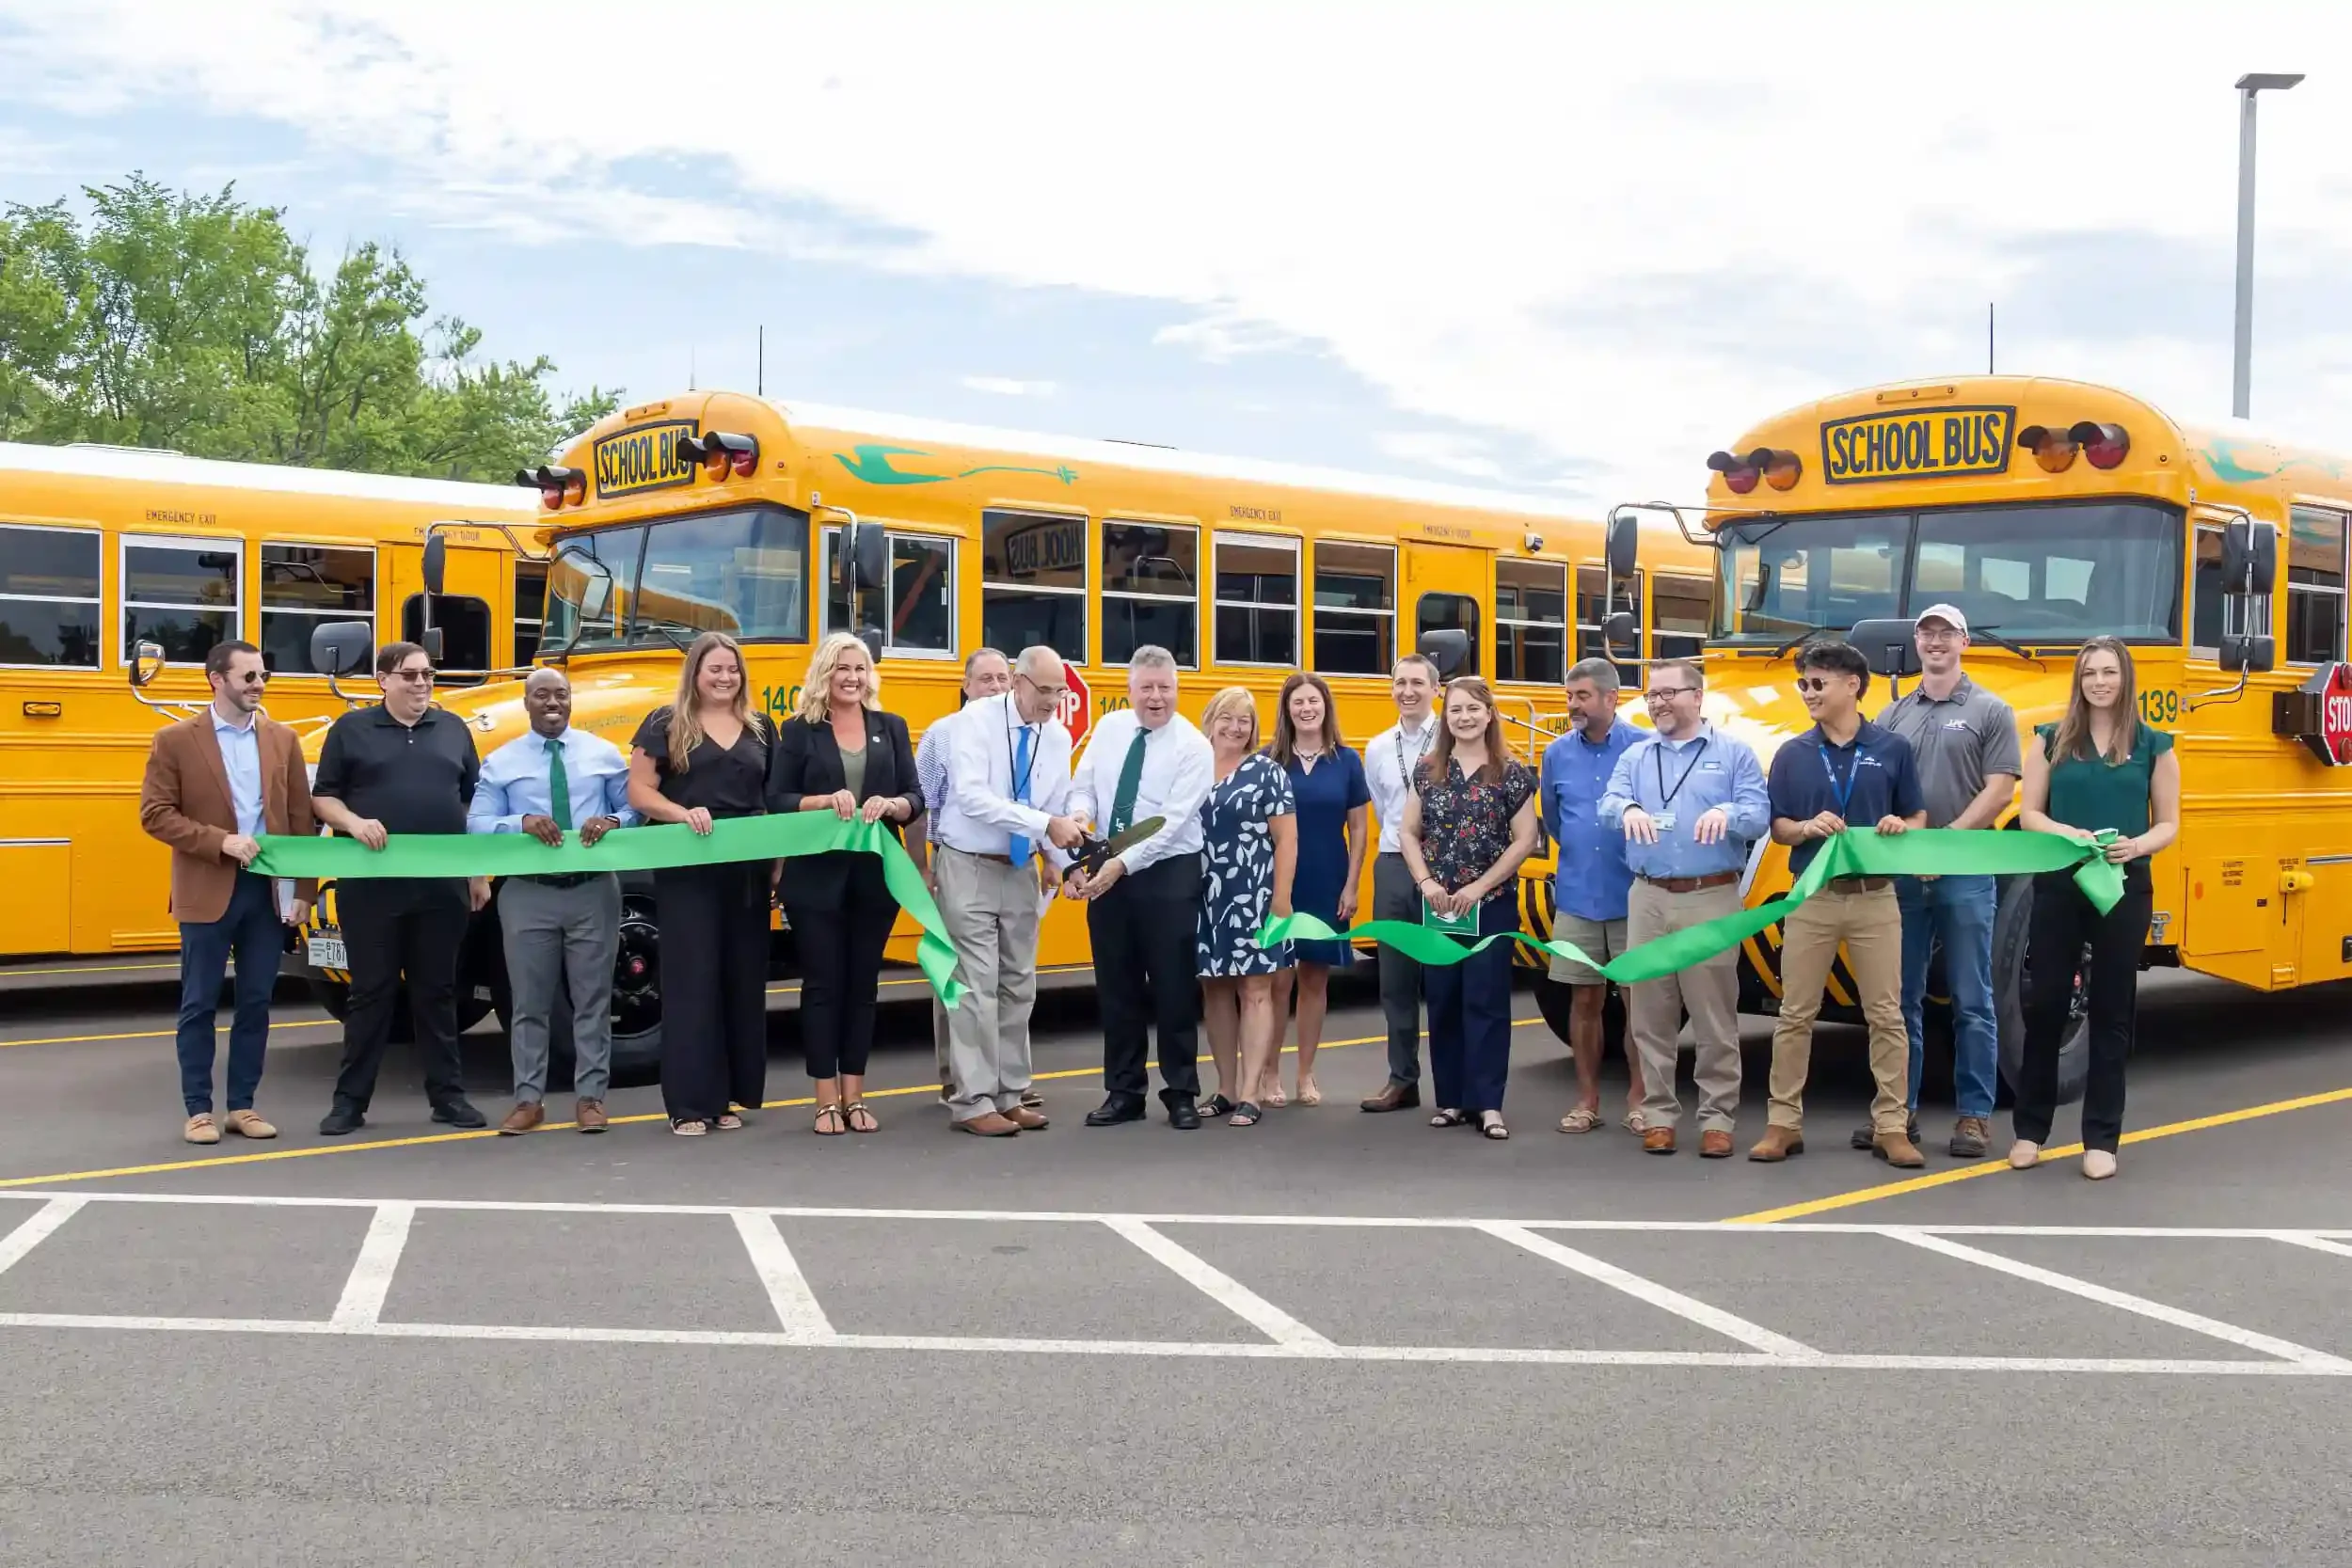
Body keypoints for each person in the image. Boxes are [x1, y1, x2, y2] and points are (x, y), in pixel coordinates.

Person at [1851, 604, 2020, 1160]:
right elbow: (1884, 788)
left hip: (1965, 872)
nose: (1936, 642)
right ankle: (1900, 1111)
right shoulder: (1894, 713)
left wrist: (1943, 844)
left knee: (1973, 997)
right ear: (1917, 643)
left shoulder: (1991, 710)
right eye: (1927, 633)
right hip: (1904, 873)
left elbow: (1999, 790)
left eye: (1947, 633)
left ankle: (1974, 1115)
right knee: (1900, 999)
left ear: (1965, 641)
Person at [1755, 641, 1926, 1167]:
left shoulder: (1893, 748)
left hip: (1876, 897)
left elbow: (1917, 816)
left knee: (1887, 1015)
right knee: (1795, 1013)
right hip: (1813, 897)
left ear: (1852, 684)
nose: (1807, 692)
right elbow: (1778, 826)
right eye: (1803, 684)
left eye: (1817, 683)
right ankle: (1783, 1123)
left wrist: (1902, 826)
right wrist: (1805, 827)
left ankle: (1891, 1126)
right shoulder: (1792, 753)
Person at [2011, 636, 2177, 1181]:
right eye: (2089, 674)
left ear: (2125, 679)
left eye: (2108, 672)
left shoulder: (2155, 746)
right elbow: (2030, 814)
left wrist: (2137, 846)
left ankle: (2102, 1138)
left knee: (2112, 1009)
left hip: (2124, 888)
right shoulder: (2050, 741)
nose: (2099, 682)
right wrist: (2067, 833)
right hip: (2061, 884)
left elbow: (2168, 823)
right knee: (2047, 1005)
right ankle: (2030, 1130)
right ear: (2079, 682)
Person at [137, 641, 316, 1145]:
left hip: (266, 891)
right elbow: (155, 815)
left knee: (257, 1002)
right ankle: (198, 1110)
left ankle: (243, 1106)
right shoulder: (175, 739)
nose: (259, 685)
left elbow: (301, 820)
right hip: (206, 887)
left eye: (263, 675)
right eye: (249, 677)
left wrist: (302, 889)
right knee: (199, 1003)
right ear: (216, 679)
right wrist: (220, 842)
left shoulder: (283, 739)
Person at [310, 641, 490, 1136]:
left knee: (438, 993)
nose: (421, 683)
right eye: (410, 675)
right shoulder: (351, 730)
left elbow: (474, 804)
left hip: (442, 890)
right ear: (382, 679)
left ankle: (448, 1099)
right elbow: (323, 797)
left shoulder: (453, 728)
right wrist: (353, 821)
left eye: (428, 674)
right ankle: (349, 1104)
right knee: (371, 995)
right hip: (372, 889)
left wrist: (477, 873)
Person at [1598, 659, 1770, 1157]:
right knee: (1650, 1014)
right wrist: (1627, 809)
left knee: (1713, 1013)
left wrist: (1729, 813)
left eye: (1668, 693)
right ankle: (1658, 1115)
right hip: (1648, 896)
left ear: (1697, 696)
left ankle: (1718, 1118)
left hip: (1710, 895)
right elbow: (1608, 804)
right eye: (1652, 695)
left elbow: (1759, 815)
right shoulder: (1635, 756)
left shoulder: (1734, 753)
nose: (1658, 703)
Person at [467, 667, 636, 1136]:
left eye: (560, 694)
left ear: (570, 700)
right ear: (526, 703)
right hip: (527, 893)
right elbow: (476, 821)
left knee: (593, 1000)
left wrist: (615, 821)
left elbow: (634, 809)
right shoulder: (501, 761)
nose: (551, 703)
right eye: (541, 695)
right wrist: (518, 821)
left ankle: (591, 1098)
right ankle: (528, 1099)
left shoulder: (603, 755)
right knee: (530, 1003)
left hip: (592, 889)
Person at [768, 632, 922, 1135]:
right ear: (824, 675)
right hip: (815, 876)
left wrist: (894, 806)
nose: (852, 677)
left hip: (876, 874)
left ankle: (856, 1095)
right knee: (822, 984)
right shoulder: (798, 731)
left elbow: (913, 796)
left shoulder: (891, 727)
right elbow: (777, 799)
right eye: (842, 669)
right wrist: (819, 800)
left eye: (860, 668)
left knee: (862, 985)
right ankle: (824, 1099)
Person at [628, 631, 772, 1138]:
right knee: (693, 982)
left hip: (749, 872)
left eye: (732, 669)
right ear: (695, 673)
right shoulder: (666, 723)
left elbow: (770, 800)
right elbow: (640, 791)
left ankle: (726, 1097)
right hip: (689, 868)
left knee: (740, 980)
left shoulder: (760, 727)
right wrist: (681, 813)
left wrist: (777, 864)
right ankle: (688, 1104)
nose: (724, 677)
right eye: (714, 669)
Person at [1066, 646, 1216, 1130]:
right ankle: (1124, 1091)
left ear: (1178, 689)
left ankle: (1181, 1093)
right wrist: (1080, 819)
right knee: (1117, 986)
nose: (1156, 698)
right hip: (1109, 865)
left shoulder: (1194, 746)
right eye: (1146, 688)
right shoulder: (1110, 729)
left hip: (1168, 872)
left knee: (1173, 988)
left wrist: (1122, 865)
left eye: (1164, 688)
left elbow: (1170, 823)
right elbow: (1084, 784)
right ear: (1130, 690)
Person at [936, 644, 1081, 1135]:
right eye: (1044, 691)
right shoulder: (974, 722)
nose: (1052, 702)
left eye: (1059, 692)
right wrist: (1047, 823)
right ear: (1017, 682)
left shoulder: (1057, 736)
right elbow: (974, 798)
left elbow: (1057, 808)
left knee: (1018, 982)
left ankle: (1010, 1093)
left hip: (1019, 868)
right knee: (976, 985)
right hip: (969, 864)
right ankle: (973, 1101)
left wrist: (1068, 864)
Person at [1401, 676, 1539, 1141]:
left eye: (1473, 710)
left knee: (1486, 1001)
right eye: (1456, 710)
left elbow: (1525, 841)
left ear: (1489, 714)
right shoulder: (1428, 769)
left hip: (1490, 904)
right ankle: (1452, 1099)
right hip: (1439, 907)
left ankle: (1489, 1104)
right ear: (1446, 717)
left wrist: (1479, 888)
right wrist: (1425, 882)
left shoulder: (1512, 773)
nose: (1464, 717)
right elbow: (1408, 832)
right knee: (1443, 999)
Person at [1539, 657, 1645, 1135]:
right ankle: (1587, 1101)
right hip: (1579, 896)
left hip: (1635, 896)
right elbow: (1556, 821)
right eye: (1569, 696)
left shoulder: (1644, 749)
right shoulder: (1557, 753)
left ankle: (1641, 1100)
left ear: (1610, 698)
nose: (1573, 705)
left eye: (1582, 696)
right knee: (1584, 1001)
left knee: (1640, 1002)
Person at [914, 647, 1017, 1108]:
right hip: (957, 862)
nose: (995, 688)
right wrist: (922, 865)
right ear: (966, 687)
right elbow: (921, 805)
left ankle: (1007, 1083)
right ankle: (957, 1078)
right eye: (985, 680)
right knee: (957, 976)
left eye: (1003, 680)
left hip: (1014, 866)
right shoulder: (943, 734)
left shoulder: (1022, 734)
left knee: (1011, 981)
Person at [1195, 686, 1296, 1126]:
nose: (1236, 727)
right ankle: (1226, 1088)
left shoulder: (1268, 772)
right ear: (1211, 719)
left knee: (1255, 990)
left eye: (1245, 721)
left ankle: (1254, 1090)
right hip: (1201, 895)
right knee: (1214, 990)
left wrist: (1282, 899)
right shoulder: (1191, 766)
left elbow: (1286, 840)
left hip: (1253, 894)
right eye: (1228, 718)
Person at [1266, 672, 1368, 1108]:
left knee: (1314, 981)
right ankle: (1268, 1071)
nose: (1306, 709)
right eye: (1297, 702)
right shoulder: (1270, 760)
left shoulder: (1347, 761)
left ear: (1326, 707)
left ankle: (1305, 1073)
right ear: (1286, 710)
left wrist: (1351, 885)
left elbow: (1360, 828)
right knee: (1275, 983)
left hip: (1328, 877)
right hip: (1279, 882)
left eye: (1313, 701)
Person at [1359, 655, 1441, 1112]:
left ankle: (1455, 1082)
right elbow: (1382, 809)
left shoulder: (1451, 737)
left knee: (1446, 975)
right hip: (1393, 864)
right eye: (1399, 683)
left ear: (1434, 688)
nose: (1407, 691)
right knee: (1395, 978)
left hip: (1445, 867)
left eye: (1416, 683)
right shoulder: (1376, 746)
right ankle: (1402, 1078)